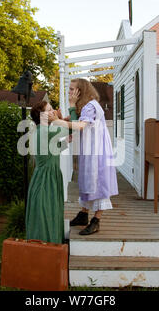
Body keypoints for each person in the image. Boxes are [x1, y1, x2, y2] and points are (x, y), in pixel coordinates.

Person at [49, 78, 118, 235]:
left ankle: (96, 220)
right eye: (70, 89)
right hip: (90, 150)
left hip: (97, 151)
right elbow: (72, 120)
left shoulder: (90, 107)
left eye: (72, 89)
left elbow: (79, 126)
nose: (70, 92)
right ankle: (83, 214)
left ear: (81, 91)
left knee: (99, 183)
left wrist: (62, 116)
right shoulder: (84, 106)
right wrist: (60, 117)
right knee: (87, 181)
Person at [25, 100, 68, 244]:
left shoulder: (41, 130)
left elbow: (55, 149)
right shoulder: (46, 130)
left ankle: (50, 252)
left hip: (48, 179)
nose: (54, 112)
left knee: (49, 215)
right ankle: (45, 255)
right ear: (42, 115)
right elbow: (71, 127)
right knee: (44, 218)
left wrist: (66, 140)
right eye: (50, 110)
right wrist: (72, 107)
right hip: (45, 182)